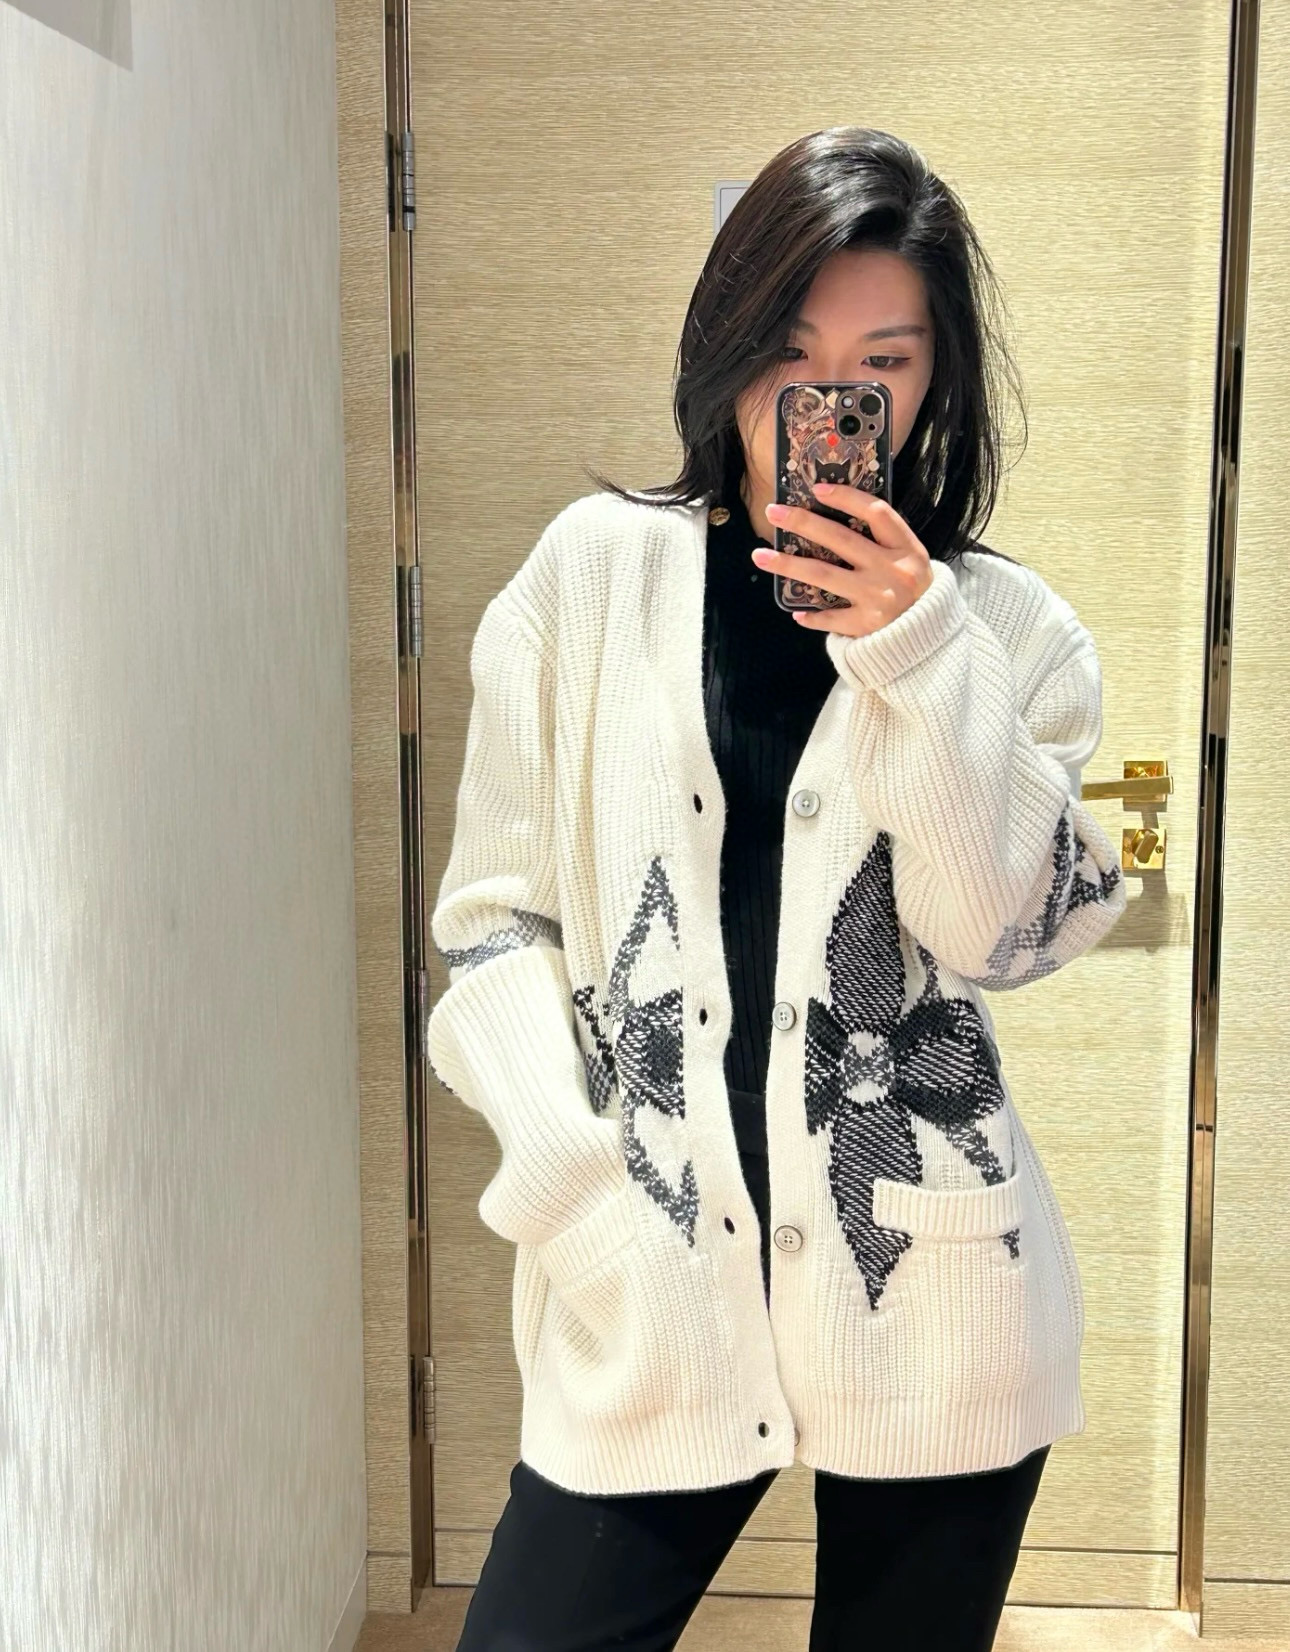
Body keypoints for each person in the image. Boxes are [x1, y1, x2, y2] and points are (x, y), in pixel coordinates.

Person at [426, 126, 1128, 1652]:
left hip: (934, 1289)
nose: (829, 399)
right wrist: (580, 1199)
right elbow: (490, 928)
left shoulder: (1007, 633)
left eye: (882, 363)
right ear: (728, 347)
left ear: (932, 384)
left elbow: (995, 932)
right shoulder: (589, 577)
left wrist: (915, 652)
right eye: (792, 353)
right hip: (644, 1280)